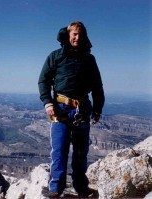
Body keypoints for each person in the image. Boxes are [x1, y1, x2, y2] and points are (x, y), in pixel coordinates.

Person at [38, 21, 105, 198]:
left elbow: (97, 86)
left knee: (81, 152)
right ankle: (55, 188)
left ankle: (81, 186)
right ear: (68, 35)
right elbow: (43, 81)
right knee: (59, 150)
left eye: (80, 34)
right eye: (74, 34)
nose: (77, 37)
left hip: (82, 110)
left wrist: (97, 108)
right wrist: (48, 103)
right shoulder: (56, 56)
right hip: (60, 109)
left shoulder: (89, 59)